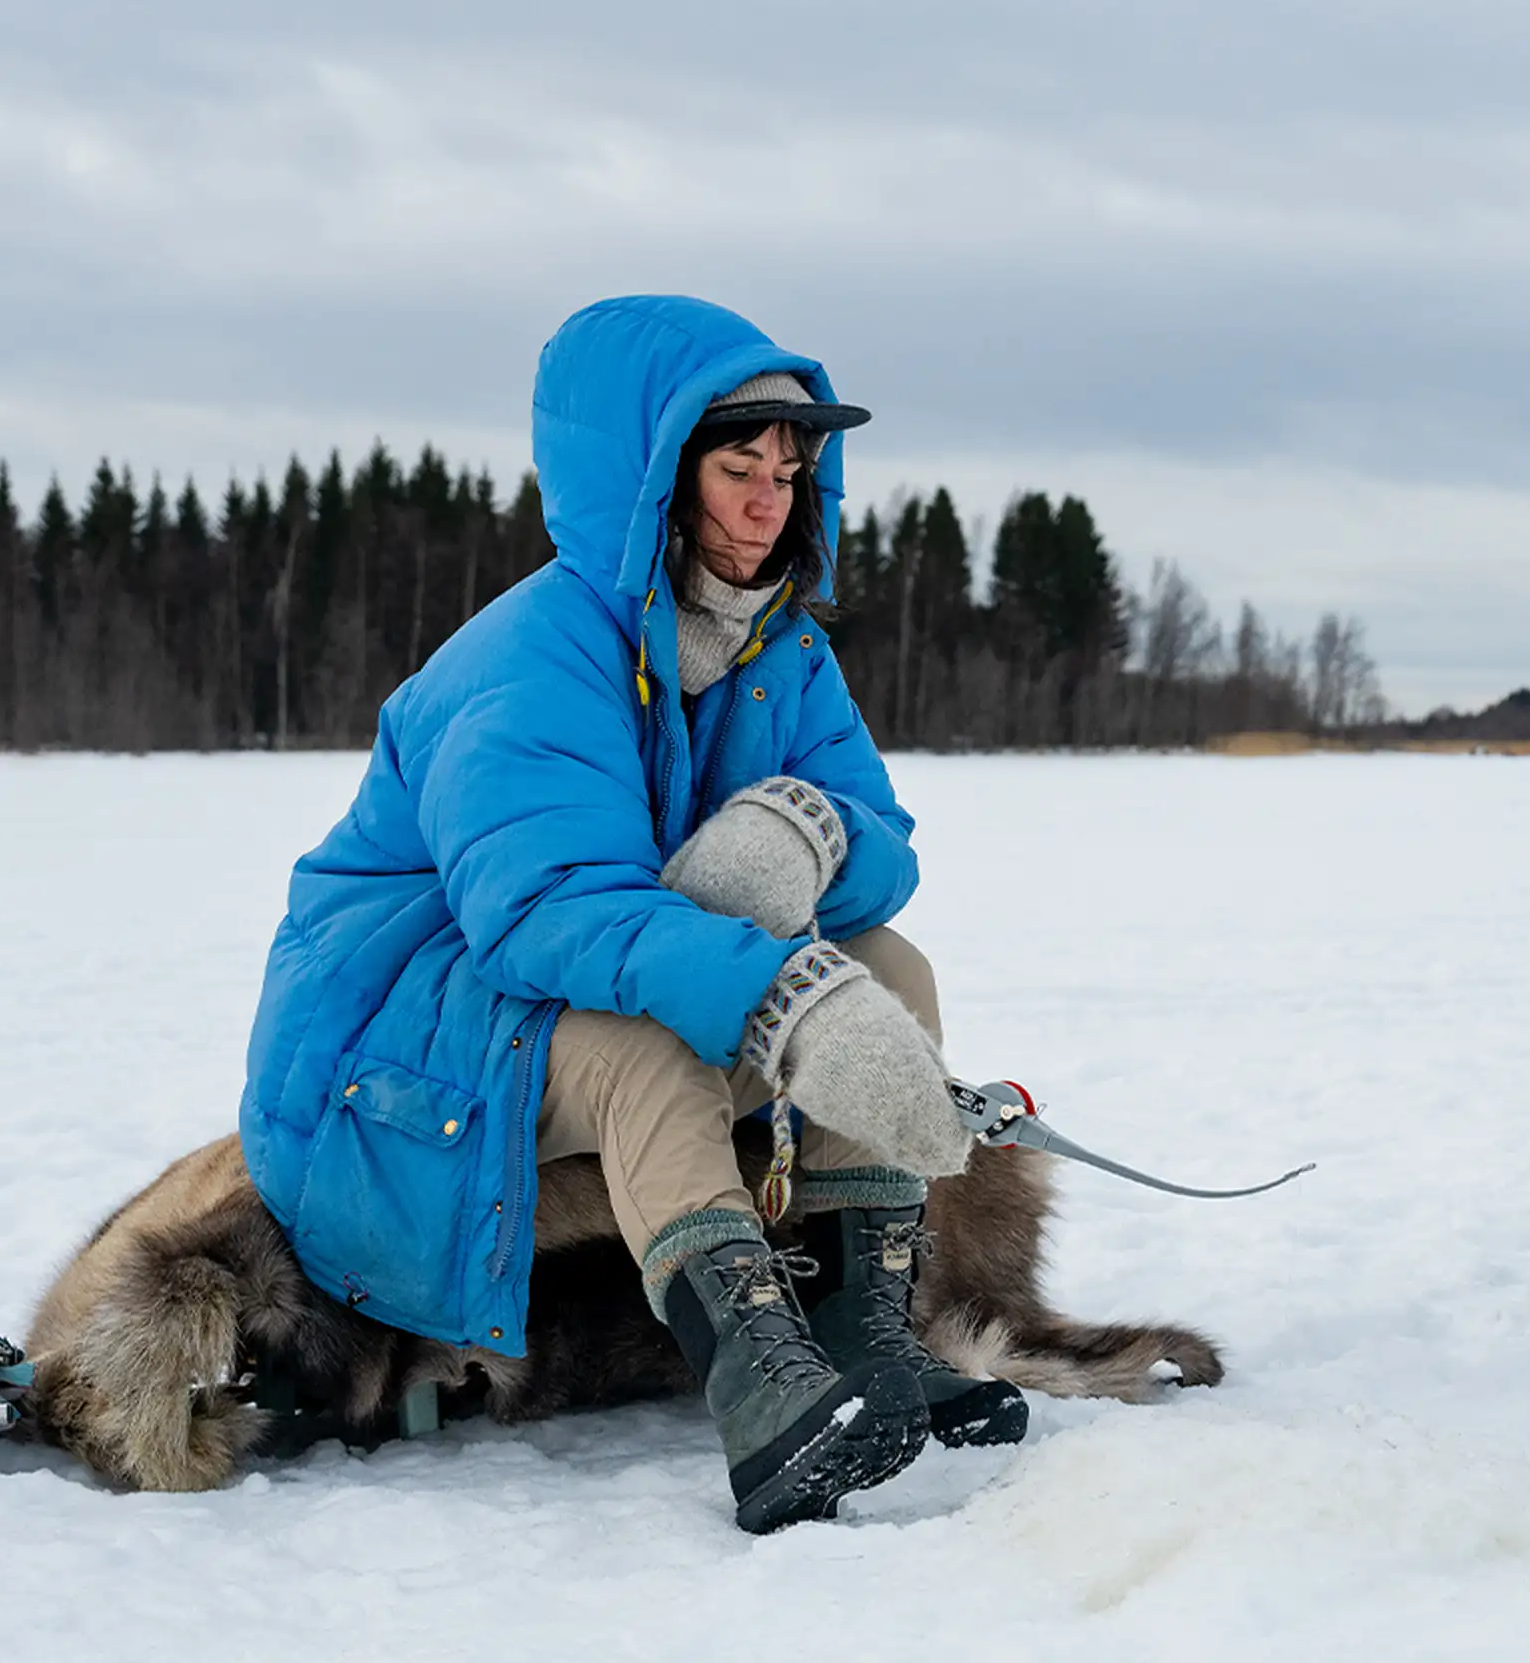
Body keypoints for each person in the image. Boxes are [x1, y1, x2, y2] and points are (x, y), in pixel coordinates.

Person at [237, 294, 1020, 1534]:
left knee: (892, 967)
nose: (773, 498)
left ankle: (863, 1338)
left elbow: (883, 854)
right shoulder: (527, 662)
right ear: (650, 476)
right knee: (657, 1055)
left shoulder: (784, 652)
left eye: (791, 465)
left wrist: (799, 843)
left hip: (561, 996)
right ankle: (763, 1398)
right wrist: (780, 1000)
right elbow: (546, 913)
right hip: (395, 1060)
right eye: (737, 465)